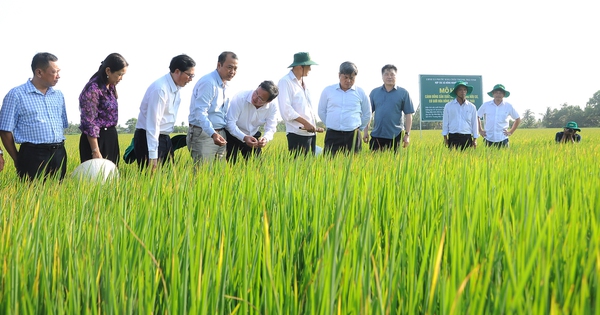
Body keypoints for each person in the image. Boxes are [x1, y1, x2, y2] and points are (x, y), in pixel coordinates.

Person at [0, 52, 68, 180]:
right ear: (39, 72)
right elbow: (5, 130)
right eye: (54, 72)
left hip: (59, 152)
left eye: (59, 72)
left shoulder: (58, 95)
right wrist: (17, 158)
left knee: (58, 195)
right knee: (33, 196)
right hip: (33, 155)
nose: (58, 76)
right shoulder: (16, 95)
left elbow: (62, 125)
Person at [134, 54, 196, 171]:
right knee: (151, 179)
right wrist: (153, 155)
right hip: (149, 138)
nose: (191, 79)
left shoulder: (176, 89)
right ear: (177, 71)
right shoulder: (160, 89)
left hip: (164, 138)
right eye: (189, 75)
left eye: (193, 75)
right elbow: (153, 124)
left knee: (166, 180)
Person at [187, 51, 238, 164]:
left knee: (218, 176)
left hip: (220, 133)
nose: (233, 72)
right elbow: (200, 112)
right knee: (203, 175)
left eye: (235, 68)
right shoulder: (209, 83)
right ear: (219, 65)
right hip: (204, 134)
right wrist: (213, 133)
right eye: (229, 67)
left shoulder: (226, 85)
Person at [79, 53, 129, 164]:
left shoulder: (110, 86)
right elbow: (89, 122)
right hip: (96, 140)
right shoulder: (93, 89)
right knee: (95, 178)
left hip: (110, 137)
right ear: (108, 71)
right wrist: (95, 150)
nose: (121, 78)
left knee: (111, 176)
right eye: (119, 74)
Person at [318, 61, 371, 156]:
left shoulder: (361, 92)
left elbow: (367, 114)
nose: (348, 81)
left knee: (354, 166)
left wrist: (359, 128)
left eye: (352, 78)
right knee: (329, 164)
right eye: (345, 77)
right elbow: (321, 111)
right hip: (333, 135)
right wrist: (331, 123)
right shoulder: (328, 91)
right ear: (339, 75)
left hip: (353, 135)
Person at [277, 52, 323, 156]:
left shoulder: (303, 84)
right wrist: (305, 123)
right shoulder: (285, 82)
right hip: (297, 134)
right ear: (299, 67)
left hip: (310, 133)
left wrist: (312, 125)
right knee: (299, 167)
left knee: (309, 167)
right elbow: (286, 110)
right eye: (308, 66)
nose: (310, 69)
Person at [225, 80, 279, 163]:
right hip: (232, 134)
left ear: (268, 101)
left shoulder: (272, 107)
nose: (255, 98)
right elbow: (230, 123)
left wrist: (265, 138)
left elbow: (271, 127)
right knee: (230, 165)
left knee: (257, 166)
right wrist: (244, 137)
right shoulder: (240, 97)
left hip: (252, 137)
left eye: (260, 98)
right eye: (256, 93)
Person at [364, 64, 415, 152]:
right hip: (377, 134)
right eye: (386, 74)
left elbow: (408, 114)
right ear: (382, 77)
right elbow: (369, 113)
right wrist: (365, 132)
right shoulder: (374, 92)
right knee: (374, 163)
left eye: (392, 74)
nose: (389, 77)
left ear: (396, 76)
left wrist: (407, 135)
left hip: (395, 135)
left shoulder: (403, 93)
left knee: (395, 164)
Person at [441, 81, 479, 150]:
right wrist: (445, 138)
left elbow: (474, 123)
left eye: (464, 90)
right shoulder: (448, 106)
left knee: (467, 159)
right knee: (453, 159)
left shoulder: (472, 107)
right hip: (453, 136)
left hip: (467, 136)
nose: (463, 92)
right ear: (456, 92)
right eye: (460, 90)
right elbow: (445, 122)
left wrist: (475, 139)